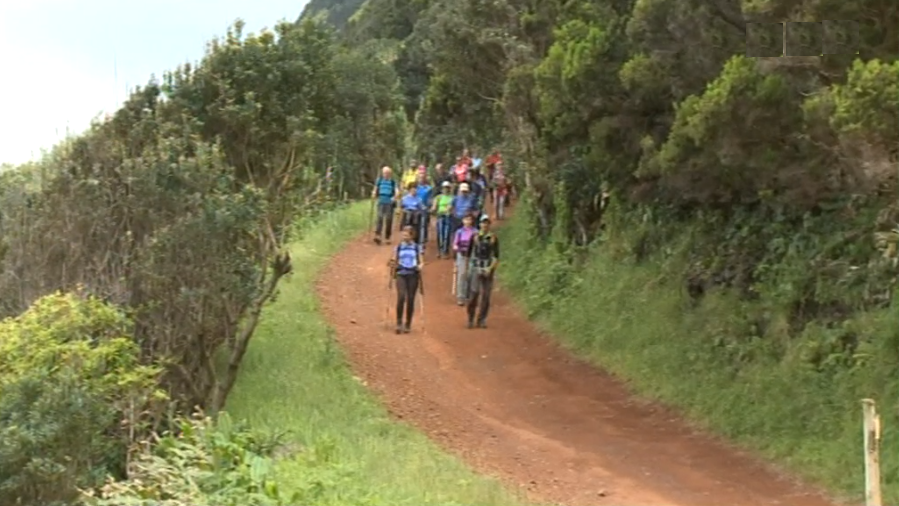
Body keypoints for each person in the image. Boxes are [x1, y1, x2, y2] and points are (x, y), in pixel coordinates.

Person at [465, 214, 499, 328]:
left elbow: (496, 256)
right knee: (474, 293)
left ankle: (482, 319)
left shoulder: (493, 238)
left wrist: (490, 269)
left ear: (489, 224)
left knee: (486, 295)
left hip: (488, 267)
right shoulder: (474, 237)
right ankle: (470, 318)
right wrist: (468, 269)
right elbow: (469, 254)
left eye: (486, 223)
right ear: (479, 224)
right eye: (483, 222)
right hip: (475, 267)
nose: (484, 225)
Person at [390, 225, 423, 334]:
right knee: (401, 297)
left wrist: (420, 266)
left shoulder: (417, 247)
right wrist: (392, 263)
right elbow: (393, 259)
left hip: (413, 274)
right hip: (401, 273)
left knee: (410, 299)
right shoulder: (398, 247)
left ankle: (408, 323)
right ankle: (399, 322)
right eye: (403, 234)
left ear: (412, 236)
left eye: (406, 235)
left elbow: (421, 261)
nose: (404, 237)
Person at [452, 214, 477, 306]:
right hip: (461, 255)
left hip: (472, 256)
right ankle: (460, 297)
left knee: (471, 275)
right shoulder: (459, 232)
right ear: (463, 220)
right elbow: (455, 244)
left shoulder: (475, 232)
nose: (468, 221)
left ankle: (469, 295)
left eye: (470, 219)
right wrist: (457, 250)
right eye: (466, 219)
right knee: (462, 275)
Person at [371, 166, 399, 245]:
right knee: (379, 218)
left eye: (387, 173)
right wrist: (373, 193)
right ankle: (378, 235)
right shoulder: (379, 180)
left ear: (390, 174)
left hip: (389, 201)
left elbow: (397, 191)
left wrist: (394, 197)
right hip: (381, 200)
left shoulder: (393, 182)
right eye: (384, 173)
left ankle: (387, 237)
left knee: (388, 219)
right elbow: (375, 189)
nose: (385, 174)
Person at [431, 181, 454, 258]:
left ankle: (445, 251)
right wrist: (432, 210)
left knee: (447, 234)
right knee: (440, 233)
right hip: (440, 216)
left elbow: (452, 207)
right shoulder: (438, 197)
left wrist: (449, 209)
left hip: (448, 216)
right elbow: (434, 207)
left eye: (447, 188)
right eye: (444, 188)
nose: (446, 189)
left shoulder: (452, 197)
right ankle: (440, 250)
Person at [415, 174, 434, 249]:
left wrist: (429, 206)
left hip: (424, 209)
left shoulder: (429, 188)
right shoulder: (415, 188)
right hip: (415, 209)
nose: (421, 179)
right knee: (416, 225)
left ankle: (422, 242)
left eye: (422, 178)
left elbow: (430, 199)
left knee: (423, 225)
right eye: (419, 178)